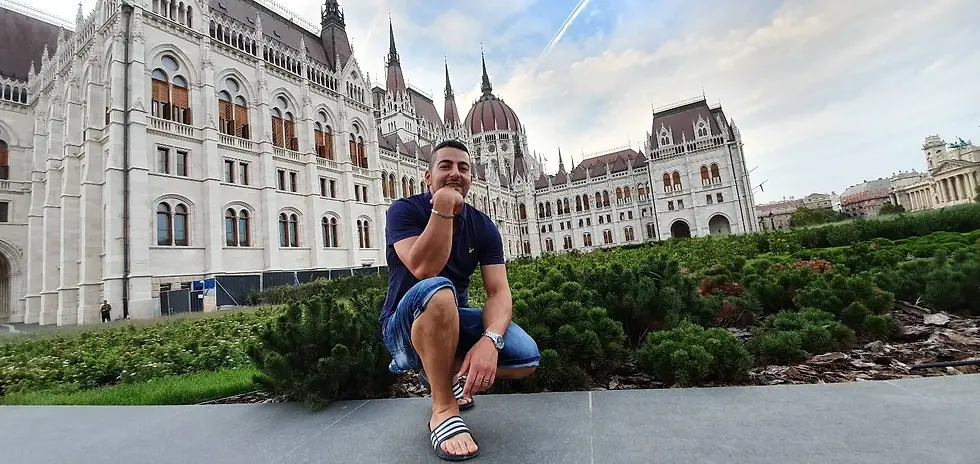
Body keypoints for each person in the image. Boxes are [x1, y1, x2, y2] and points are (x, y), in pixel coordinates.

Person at [380, 139, 540, 461]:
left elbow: (499, 292)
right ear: (427, 176)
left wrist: (490, 341)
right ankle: (443, 409)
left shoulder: (483, 225)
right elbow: (425, 269)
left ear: (472, 177)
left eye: (463, 168)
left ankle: (443, 372)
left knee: (526, 358)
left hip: (451, 321)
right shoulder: (404, 211)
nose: (455, 173)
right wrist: (442, 206)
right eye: (446, 166)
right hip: (402, 327)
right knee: (439, 289)